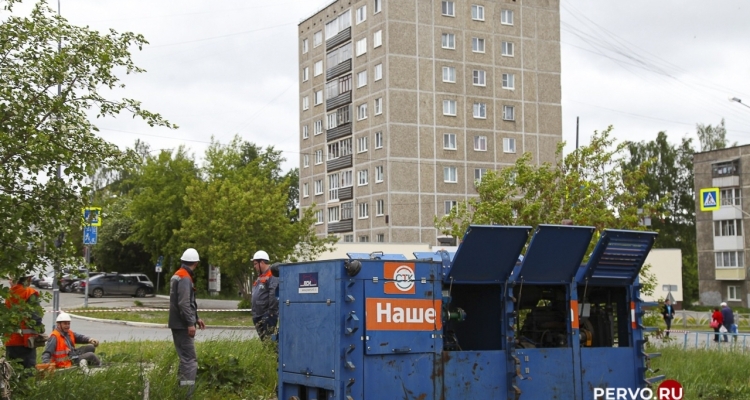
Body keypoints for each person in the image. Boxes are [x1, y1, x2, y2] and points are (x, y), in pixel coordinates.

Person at [169, 248, 206, 397]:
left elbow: (186, 302)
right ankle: (186, 394)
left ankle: (180, 391)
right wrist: (191, 323)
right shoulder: (185, 277)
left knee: (185, 359)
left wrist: (196, 318)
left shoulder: (178, 275)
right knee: (190, 361)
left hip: (177, 323)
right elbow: (184, 303)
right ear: (195, 263)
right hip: (182, 324)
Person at [4, 273, 44, 369]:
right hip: (25, 341)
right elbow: (36, 317)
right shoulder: (29, 292)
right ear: (27, 279)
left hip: (10, 341)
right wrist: (40, 330)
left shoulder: (9, 293)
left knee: (12, 371)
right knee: (27, 373)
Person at [251, 250, 279, 342]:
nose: (254, 266)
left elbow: (273, 293)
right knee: (265, 342)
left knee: (268, 342)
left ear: (262, 262)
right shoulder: (261, 276)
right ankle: (268, 355)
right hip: (258, 314)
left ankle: (272, 356)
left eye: (255, 264)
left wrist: (271, 312)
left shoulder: (272, 274)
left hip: (266, 315)